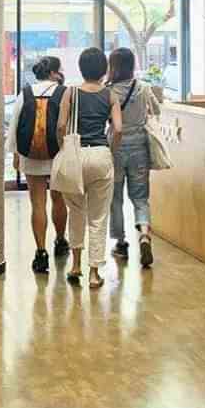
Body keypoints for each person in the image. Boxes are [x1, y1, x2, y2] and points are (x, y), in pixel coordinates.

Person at [57, 47, 122, 289]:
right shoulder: (110, 95)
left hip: (75, 154)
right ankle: (94, 272)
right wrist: (111, 151)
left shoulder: (70, 92)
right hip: (101, 154)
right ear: (104, 70)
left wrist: (63, 148)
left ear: (82, 69)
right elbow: (118, 128)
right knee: (98, 216)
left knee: (76, 211)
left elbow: (61, 125)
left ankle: (75, 266)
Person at [6, 56, 70, 274]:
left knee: (37, 203)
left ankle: (41, 253)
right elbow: (67, 125)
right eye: (60, 69)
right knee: (59, 198)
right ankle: (61, 241)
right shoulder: (64, 92)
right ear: (53, 73)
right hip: (58, 154)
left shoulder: (25, 93)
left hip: (30, 155)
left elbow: (14, 124)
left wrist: (16, 153)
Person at [106, 48, 161, 267]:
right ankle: (145, 233)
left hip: (115, 147)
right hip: (140, 146)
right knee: (140, 197)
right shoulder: (143, 87)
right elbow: (156, 110)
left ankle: (121, 243)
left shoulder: (109, 91)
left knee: (116, 198)